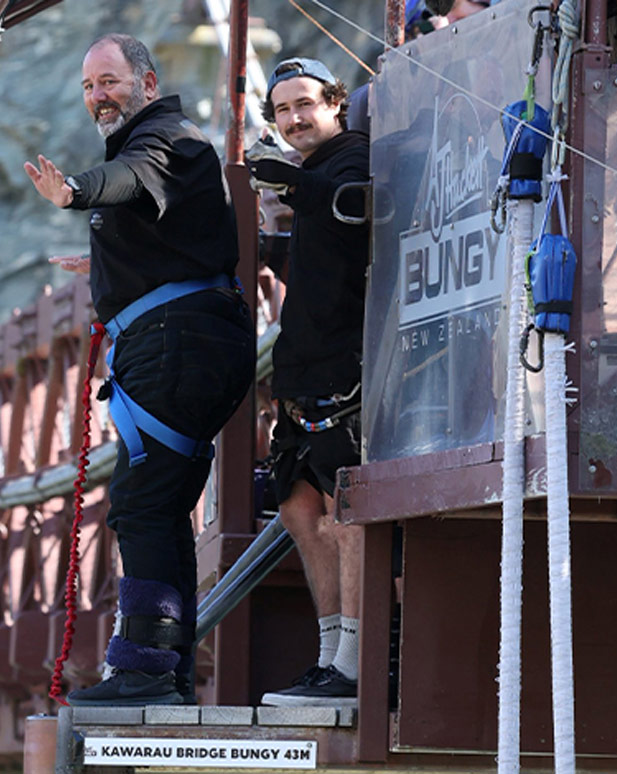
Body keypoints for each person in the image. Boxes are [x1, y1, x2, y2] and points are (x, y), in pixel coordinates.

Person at [24, 33, 255, 706]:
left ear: (148, 84)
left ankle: (145, 671)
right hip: (189, 341)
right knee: (161, 504)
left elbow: (125, 179)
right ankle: (165, 670)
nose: (98, 96)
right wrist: (104, 263)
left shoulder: (166, 141)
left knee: (142, 504)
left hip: (176, 346)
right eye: (88, 86)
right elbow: (166, 230)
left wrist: (74, 192)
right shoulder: (165, 144)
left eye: (110, 81)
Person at [245, 57, 370, 707]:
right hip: (302, 367)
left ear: (335, 104)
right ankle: (327, 656)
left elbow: (356, 209)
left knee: (347, 513)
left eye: (305, 104)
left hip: (344, 367)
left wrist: (292, 182)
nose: (294, 118)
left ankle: (352, 664)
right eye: (283, 110)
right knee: (298, 509)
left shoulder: (352, 158)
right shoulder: (316, 172)